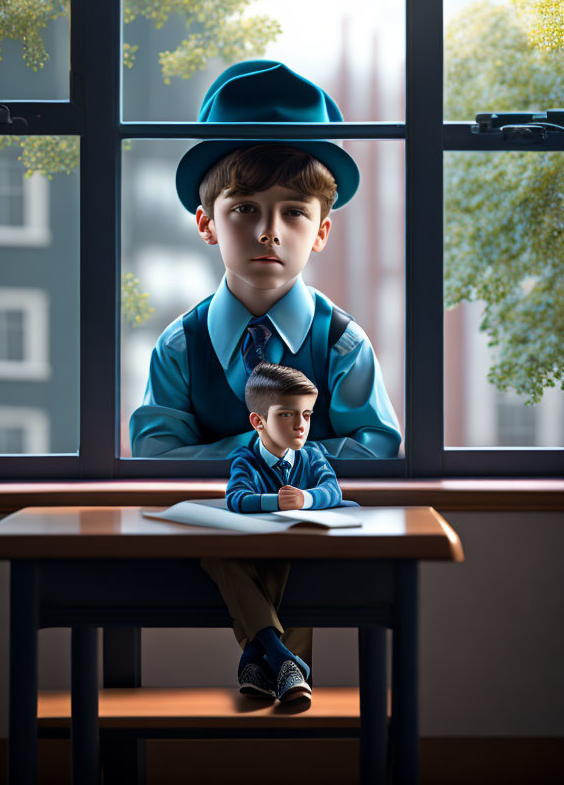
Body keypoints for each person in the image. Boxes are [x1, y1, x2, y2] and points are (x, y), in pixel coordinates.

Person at [129, 58, 402, 674]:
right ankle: (282, 662)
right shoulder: (180, 345)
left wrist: (283, 474)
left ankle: (265, 656)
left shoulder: (342, 343)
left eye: (294, 212)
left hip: (311, 525)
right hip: (219, 527)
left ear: (322, 231)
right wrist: (269, 461)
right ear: (207, 223)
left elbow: (380, 444)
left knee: (298, 545)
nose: (269, 232)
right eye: (244, 209)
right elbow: (152, 450)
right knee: (227, 541)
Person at [201, 361, 343, 706]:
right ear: (258, 421)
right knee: (217, 555)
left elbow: (333, 491)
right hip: (252, 550)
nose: (300, 425)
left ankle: (256, 657)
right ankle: (284, 660)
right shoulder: (245, 459)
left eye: (307, 415)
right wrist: (273, 501)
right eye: (287, 415)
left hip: (291, 552)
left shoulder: (312, 456)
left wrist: (306, 498)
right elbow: (236, 498)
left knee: (291, 564)